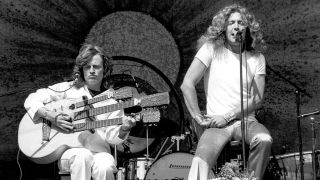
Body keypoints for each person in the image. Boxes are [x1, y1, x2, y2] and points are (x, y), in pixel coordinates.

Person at [180, 4, 273, 180]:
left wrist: (229, 116)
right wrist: (197, 117)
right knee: (199, 162)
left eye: (241, 22)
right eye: (231, 22)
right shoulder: (211, 49)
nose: (236, 26)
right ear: (224, 27)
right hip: (217, 124)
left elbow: (257, 99)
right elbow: (187, 84)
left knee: (264, 139)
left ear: (248, 28)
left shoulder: (257, 58)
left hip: (246, 121)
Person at [24, 44, 136, 180]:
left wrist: (124, 129)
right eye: (87, 67)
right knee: (82, 156)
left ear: (105, 69)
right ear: (81, 70)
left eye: (97, 66)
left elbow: (112, 138)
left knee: (105, 166)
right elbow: (31, 99)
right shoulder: (68, 89)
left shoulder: (113, 101)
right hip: (70, 152)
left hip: (99, 152)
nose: (92, 71)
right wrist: (52, 116)